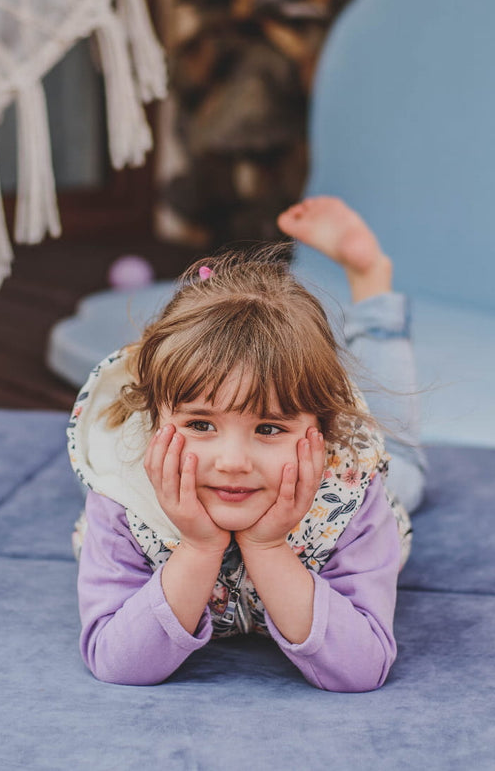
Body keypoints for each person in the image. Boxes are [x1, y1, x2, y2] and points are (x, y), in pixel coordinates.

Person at [69, 195, 427, 692]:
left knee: (403, 469)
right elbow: (116, 661)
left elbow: (362, 667)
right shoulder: (123, 498)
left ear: (321, 432)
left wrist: (269, 546)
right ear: (155, 421)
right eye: (200, 425)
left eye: (268, 429)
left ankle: (371, 282)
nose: (232, 463)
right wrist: (197, 548)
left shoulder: (351, 491)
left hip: (340, 491)